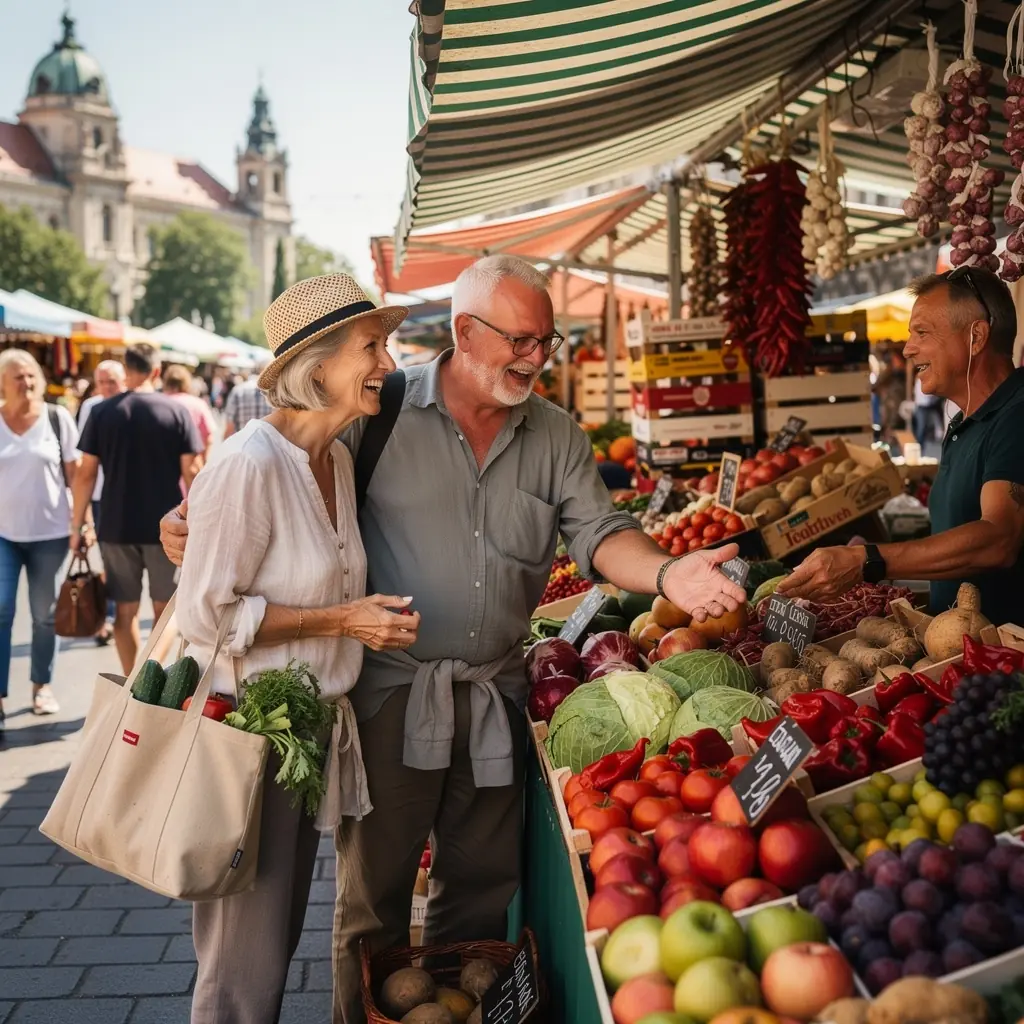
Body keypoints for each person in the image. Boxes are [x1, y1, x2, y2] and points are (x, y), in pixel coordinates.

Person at [160, 255, 745, 1024]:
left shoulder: (549, 436)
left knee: (477, 895)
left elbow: (601, 532)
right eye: (521, 341)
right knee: (370, 908)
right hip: (382, 695)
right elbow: (255, 510)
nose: (536, 359)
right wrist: (187, 528)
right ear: (467, 332)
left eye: (547, 343)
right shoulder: (379, 416)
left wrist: (668, 577)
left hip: (495, 693)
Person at [175, 275, 420, 1024]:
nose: (388, 360)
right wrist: (343, 621)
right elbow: (205, 615)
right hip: (249, 735)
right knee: (242, 968)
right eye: (371, 346)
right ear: (318, 366)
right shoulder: (250, 463)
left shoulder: (336, 461)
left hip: (304, 733)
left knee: (272, 947)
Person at [778, 267, 1024, 624]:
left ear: (976, 337)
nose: (908, 349)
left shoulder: (1017, 414)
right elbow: (960, 532)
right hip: (958, 652)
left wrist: (872, 559)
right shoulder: (963, 424)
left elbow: (999, 539)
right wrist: (883, 557)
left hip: (1008, 660)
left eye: (922, 333)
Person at [70, 343, 203, 675]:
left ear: (126, 371)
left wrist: (77, 526)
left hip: (115, 526)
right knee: (165, 611)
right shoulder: (176, 412)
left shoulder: (102, 412)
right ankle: (150, 678)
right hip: (167, 528)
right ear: (156, 371)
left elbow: (85, 475)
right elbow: (194, 472)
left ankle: (131, 680)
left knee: (125, 612)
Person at [0, 349, 82, 727]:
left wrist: (84, 523)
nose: (27, 383)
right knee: (1, 610)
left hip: (50, 532)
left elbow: (77, 475)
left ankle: (40, 686)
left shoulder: (56, 417)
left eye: (31, 375)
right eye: (18, 377)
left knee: (44, 616)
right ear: (3, 382)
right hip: (3, 534)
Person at [77, 360, 128, 646]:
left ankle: (115, 616)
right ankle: (107, 617)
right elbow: (84, 461)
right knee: (105, 559)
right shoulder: (91, 408)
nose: (107, 387)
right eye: (102, 382)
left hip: (121, 496)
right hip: (98, 496)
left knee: (117, 562)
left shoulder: (130, 407)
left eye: (112, 381)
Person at [161, 364, 216, 467]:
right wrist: (203, 462)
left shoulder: (158, 404)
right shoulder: (198, 404)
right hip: (192, 469)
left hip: (161, 468)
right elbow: (208, 437)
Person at [223, 372, 272, 438]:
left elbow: (230, 426)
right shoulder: (271, 393)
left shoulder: (237, 390)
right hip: (267, 443)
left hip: (241, 443)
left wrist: (225, 444)